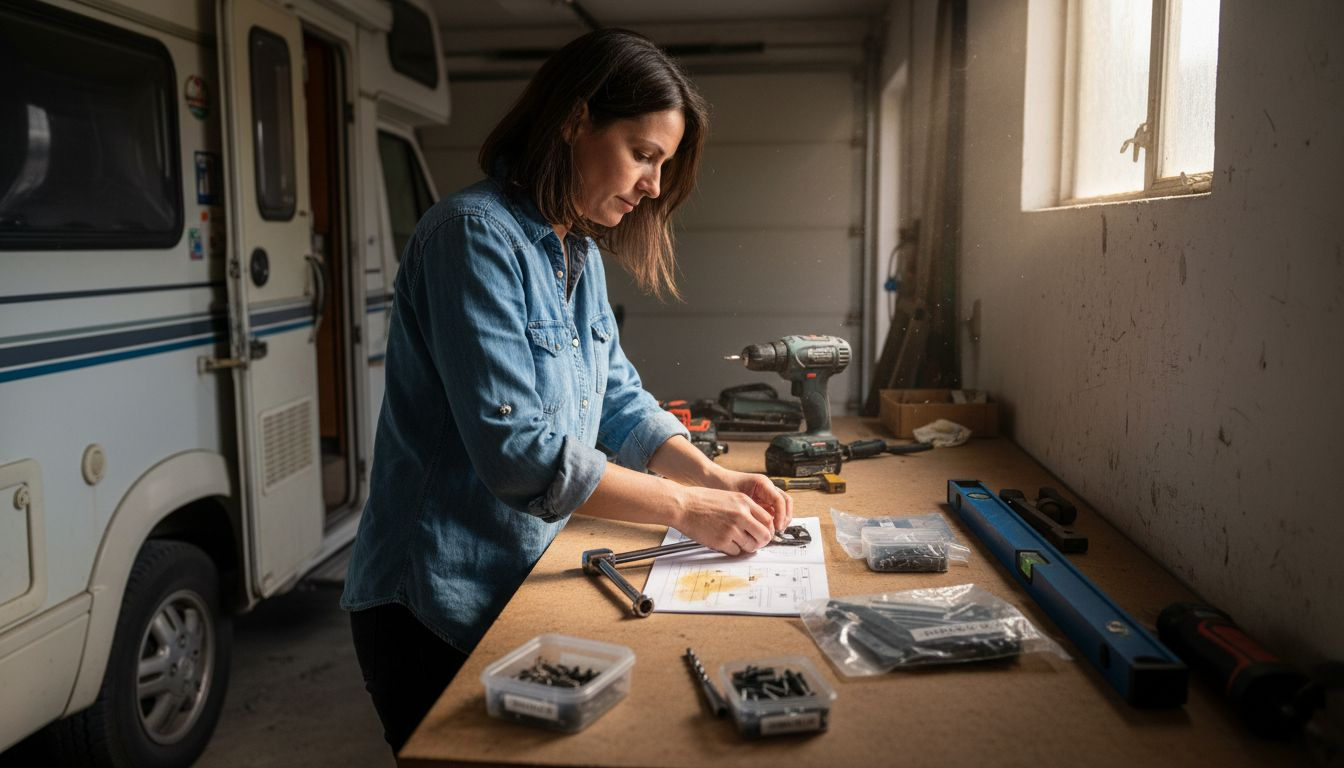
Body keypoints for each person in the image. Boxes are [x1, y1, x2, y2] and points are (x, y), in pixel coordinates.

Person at [340, 28, 793, 753]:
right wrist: (685, 508)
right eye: (643, 155)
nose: (652, 186)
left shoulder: (575, 250)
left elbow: (617, 396)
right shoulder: (471, 236)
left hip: (516, 579)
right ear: (576, 121)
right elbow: (519, 455)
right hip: (433, 600)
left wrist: (713, 476)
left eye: (663, 164)